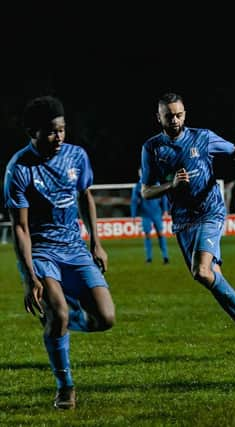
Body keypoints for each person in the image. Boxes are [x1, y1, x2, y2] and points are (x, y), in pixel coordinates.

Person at [3, 96, 116, 409]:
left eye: (62, 130)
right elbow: (21, 228)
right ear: (33, 132)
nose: (59, 137)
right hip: (41, 252)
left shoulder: (76, 157)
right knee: (58, 312)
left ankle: (60, 320)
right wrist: (29, 278)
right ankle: (65, 386)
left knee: (105, 318)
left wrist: (96, 242)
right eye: (52, 132)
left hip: (75, 249)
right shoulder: (19, 169)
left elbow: (86, 196)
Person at [140, 92, 235, 355]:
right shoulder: (152, 148)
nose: (175, 120)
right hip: (182, 221)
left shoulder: (202, 137)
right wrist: (172, 185)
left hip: (210, 211)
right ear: (159, 117)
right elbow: (146, 191)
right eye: (169, 116)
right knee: (212, 278)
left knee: (201, 271)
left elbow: (233, 150)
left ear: (185, 114)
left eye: (179, 115)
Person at [131, 168, 170, 264]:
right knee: (147, 235)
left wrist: (165, 210)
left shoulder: (156, 183)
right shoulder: (138, 186)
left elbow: (164, 197)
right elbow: (134, 201)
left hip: (157, 213)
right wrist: (133, 215)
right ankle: (149, 258)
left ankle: (165, 257)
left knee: (160, 234)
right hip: (145, 214)